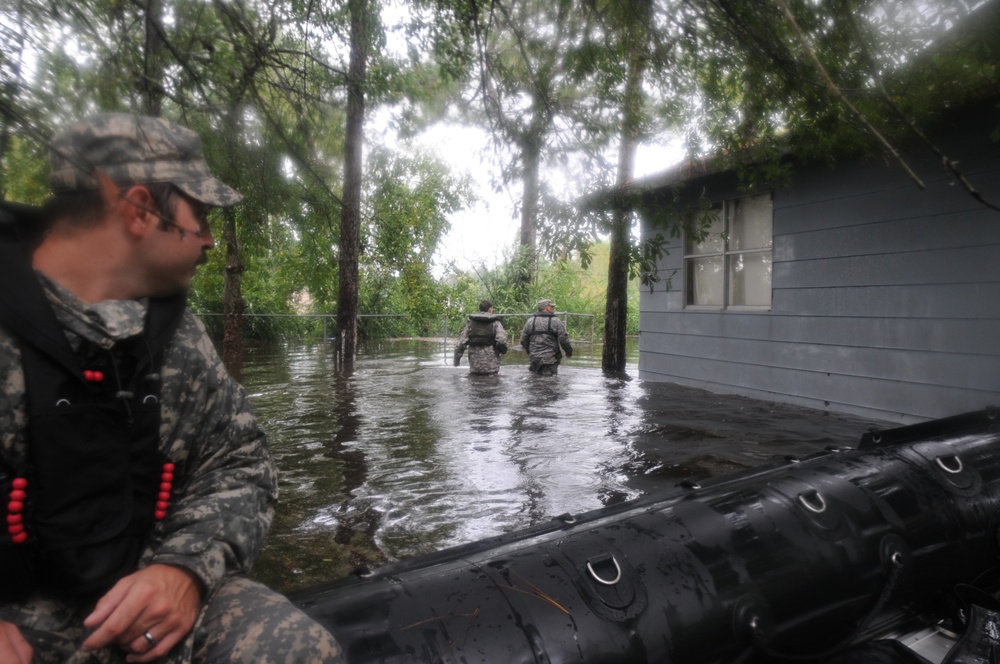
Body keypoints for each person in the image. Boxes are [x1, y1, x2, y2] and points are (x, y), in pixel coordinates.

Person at [0, 113, 343, 663]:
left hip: (149, 605)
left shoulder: (177, 335)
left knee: (300, 650)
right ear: (140, 209)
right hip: (19, 622)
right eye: (200, 216)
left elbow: (241, 461)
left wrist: (183, 568)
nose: (209, 240)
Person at [453, 300, 508, 375]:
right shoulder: (496, 323)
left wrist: (456, 361)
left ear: (480, 310)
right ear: (490, 309)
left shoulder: (471, 324)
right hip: (491, 367)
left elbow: (461, 343)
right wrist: (503, 351)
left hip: (475, 366)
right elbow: (501, 341)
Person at [519, 299, 573, 375]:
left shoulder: (530, 321)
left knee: (534, 382)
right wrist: (569, 352)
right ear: (547, 308)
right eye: (552, 307)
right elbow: (563, 340)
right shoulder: (556, 321)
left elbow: (523, 340)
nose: (553, 309)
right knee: (550, 383)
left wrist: (529, 351)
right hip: (550, 360)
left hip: (534, 359)